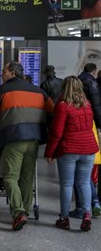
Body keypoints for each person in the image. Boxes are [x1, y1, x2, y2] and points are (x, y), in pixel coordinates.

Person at [0, 61, 54, 231]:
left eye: (3, 71)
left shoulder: (2, 91)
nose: (1, 74)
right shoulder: (39, 91)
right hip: (34, 140)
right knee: (27, 178)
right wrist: (43, 128)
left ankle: (18, 212)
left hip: (13, 138)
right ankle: (26, 211)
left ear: (12, 73)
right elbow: (52, 112)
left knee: (10, 177)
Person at [44, 76, 98, 231]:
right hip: (88, 149)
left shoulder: (62, 106)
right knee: (85, 182)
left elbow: (56, 133)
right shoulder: (87, 105)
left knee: (67, 184)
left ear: (65, 87)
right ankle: (87, 215)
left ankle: (64, 218)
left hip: (69, 149)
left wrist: (50, 153)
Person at [71, 63, 101, 218]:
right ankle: (94, 202)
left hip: (77, 138)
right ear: (94, 71)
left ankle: (81, 207)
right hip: (92, 131)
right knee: (89, 173)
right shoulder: (92, 84)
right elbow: (96, 106)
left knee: (78, 177)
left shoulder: (68, 102)